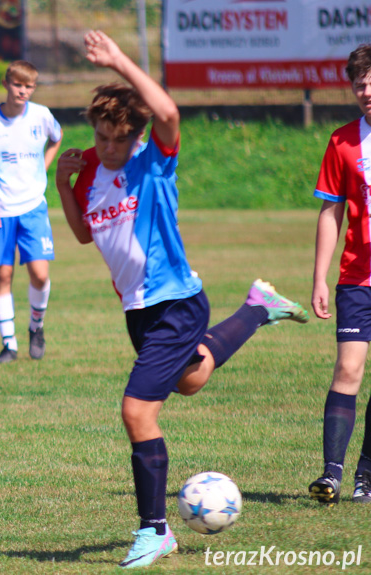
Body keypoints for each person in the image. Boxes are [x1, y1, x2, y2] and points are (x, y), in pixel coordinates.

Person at [54, 31, 309, 568]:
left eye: (118, 139)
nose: (107, 147)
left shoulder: (153, 164)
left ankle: (155, 530)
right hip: (138, 312)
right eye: (101, 136)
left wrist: (120, 59)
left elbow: (168, 111)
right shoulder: (93, 174)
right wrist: (62, 181)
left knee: (136, 410)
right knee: (191, 379)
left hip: (176, 303)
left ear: (136, 136)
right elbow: (82, 234)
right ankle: (258, 307)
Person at [308, 44, 371, 507]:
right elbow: (330, 213)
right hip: (357, 277)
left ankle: (365, 478)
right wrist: (319, 278)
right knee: (348, 368)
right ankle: (331, 473)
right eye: (358, 83)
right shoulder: (343, 141)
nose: (365, 91)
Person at [0, 60, 63, 363]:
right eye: (18, 84)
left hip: (33, 207)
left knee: (39, 274)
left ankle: (36, 327)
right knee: (4, 275)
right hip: (1, 209)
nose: (23, 91)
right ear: (6, 84)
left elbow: (56, 138)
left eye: (29, 86)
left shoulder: (41, 116)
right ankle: (9, 344)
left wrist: (43, 170)